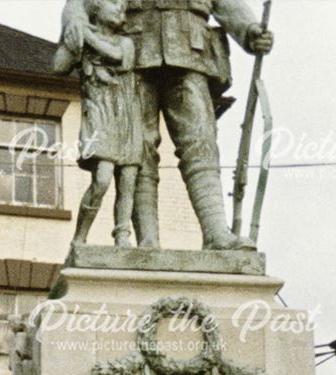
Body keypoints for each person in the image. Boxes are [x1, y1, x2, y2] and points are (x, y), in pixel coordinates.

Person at [61, 0, 273, 251]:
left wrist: (249, 30)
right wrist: (74, 20)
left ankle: (216, 231)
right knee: (139, 151)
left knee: (201, 143)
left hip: (190, 51)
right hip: (135, 55)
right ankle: (147, 240)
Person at [54, 0, 143, 247]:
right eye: (113, 2)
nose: (119, 9)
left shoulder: (125, 43)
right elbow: (57, 66)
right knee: (102, 179)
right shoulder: (82, 31)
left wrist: (86, 36)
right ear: (94, 6)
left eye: (123, 6)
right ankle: (80, 237)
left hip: (126, 115)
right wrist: (71, 33)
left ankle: (122, 235)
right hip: (99, 114)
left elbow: (116, 57)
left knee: (127, 180)